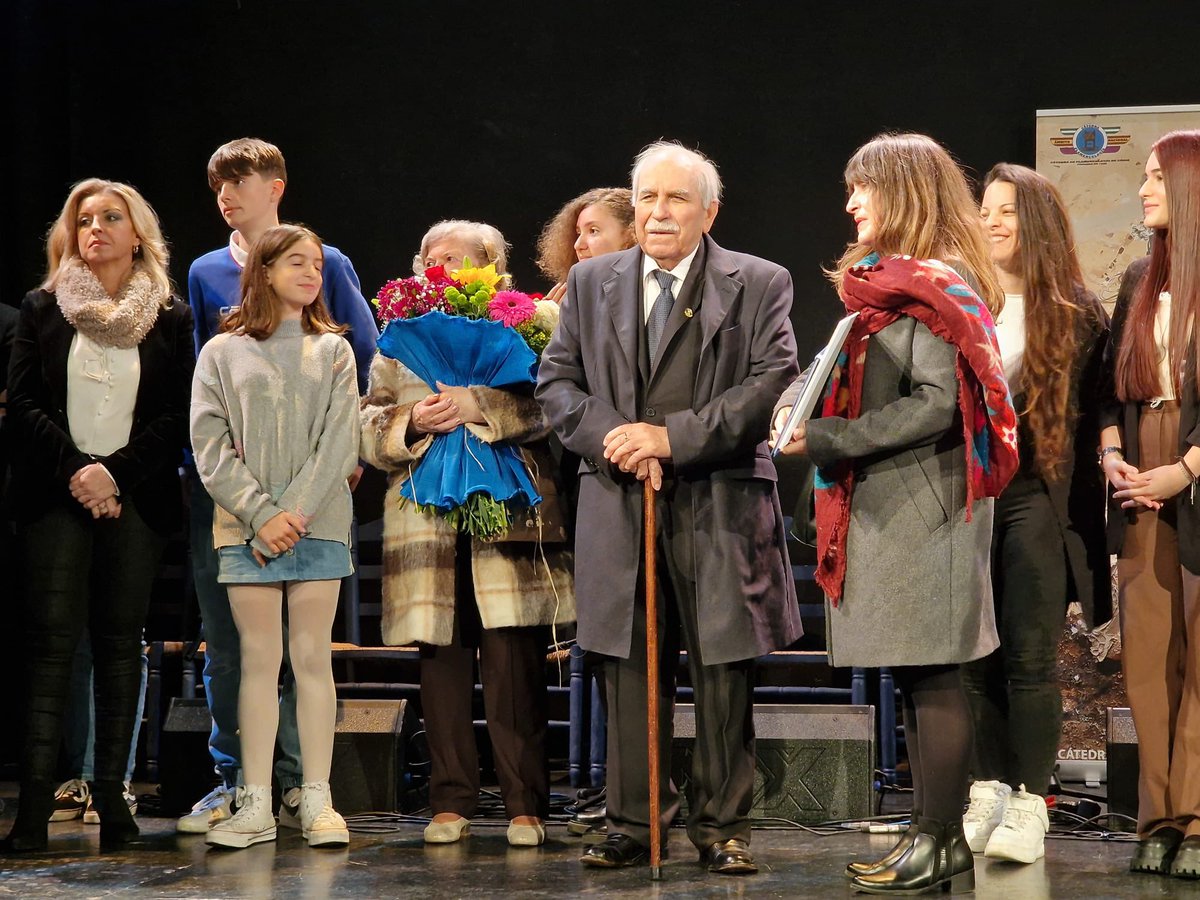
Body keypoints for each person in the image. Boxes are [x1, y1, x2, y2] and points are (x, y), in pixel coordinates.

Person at [537, 141, 801, 876]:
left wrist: (671, 437)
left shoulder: (757, 281)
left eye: (676, 198)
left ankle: (723, 827)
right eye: (647, 197)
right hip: (619, 500)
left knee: (722, 668)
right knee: (626, 665)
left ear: (708, 211)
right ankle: (632, 821)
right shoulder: (591, 282)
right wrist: (620, 442)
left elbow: (770, 381)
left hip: (719, 500)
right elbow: (557, 385)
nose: (659, 212)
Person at [774, 132, 1018, 894]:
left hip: (927, 506)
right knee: (917, 675)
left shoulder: (936, 285)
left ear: (904, 193)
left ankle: (942, 839)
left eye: (863, 189)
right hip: (896, 504)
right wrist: (797, 407)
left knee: (936, 674)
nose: (850, 204)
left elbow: (939, 404)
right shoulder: (892, 287)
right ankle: (927, 834)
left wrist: (829, 436)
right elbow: (842, 376)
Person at [181, 137, 376, 834]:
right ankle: (254, 799)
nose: (312, 272)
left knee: (312, 659)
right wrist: (262, 514)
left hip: (318, 522)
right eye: (297, 262)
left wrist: (294, 510)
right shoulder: (222, 352)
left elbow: (338, 441)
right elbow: (208, 443)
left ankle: (317, 797)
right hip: (245, 528)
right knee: (254, 664)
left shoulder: (334, 351)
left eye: (317, 265)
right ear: (262, 272)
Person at [360, 219, 575, 848]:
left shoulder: (530, 321)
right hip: (426, 520)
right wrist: (411, 418)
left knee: (514, 666)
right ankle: (450, 800)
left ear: (489, 264)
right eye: (427, 255)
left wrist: (484, 405)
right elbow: (368, 421)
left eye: (451, 257)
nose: (436, 265)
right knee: (442, 666)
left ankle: (524, 805)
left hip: (507, 513)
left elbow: (554, 408)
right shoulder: (398, 339)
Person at [2, 178, 194, 852]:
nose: (96, 229)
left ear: (136, 232)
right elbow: (23, 405)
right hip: (56, 494)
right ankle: (32, 810)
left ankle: (114, 802)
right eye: (85, 219)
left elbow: (176, 417)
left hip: (132, 498)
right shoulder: (43, 307)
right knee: (50, 646)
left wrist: (114, 474)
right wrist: (81, 471)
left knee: (120, 646)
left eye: (111, 218)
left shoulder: (170, 316)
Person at [960, 163, 1110, 864]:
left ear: (1039, 225)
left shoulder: (1078, 315)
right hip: (965, 500)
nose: (990, 222)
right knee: (972, 656)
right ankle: (985, 787)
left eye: (1006, 212)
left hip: (1035, 498)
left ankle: (1030, 799)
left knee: (1028, 656)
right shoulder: (963, 301)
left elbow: (1092, 426)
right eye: (985, 210)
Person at [1099, 130, 1200, 879]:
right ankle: (1157, 817)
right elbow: (1106, 389)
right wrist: (1111, 455)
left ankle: (1197, 819)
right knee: (1148, 656)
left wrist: (1186, 470)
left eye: (1155, 178)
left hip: (1192, 466)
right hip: (1139, 467)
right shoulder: (1139, 279)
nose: (1143, 191)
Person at [535, 186, 637, 834]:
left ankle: (623, 782)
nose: (580, 243)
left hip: (632, 472)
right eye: (575, 233)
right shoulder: (557, 307)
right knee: (593, 642)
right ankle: (597, 781)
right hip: (578, 477)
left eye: (594, 231)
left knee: (626, 645)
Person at [536, 187, 636, 303]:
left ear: (632, 234)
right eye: (578, 233)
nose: (578, 245)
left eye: (593, 231)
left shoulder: (651, 296)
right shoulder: (574, 302)